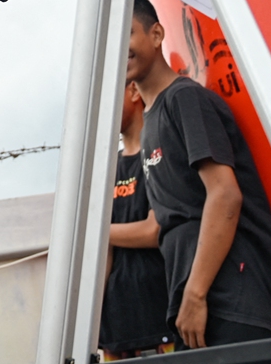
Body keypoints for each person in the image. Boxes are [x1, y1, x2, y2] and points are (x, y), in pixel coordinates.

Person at [127, 0, 271, 356]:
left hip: (235, 301)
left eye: (128, 33)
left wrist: (196, 292)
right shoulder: (151, 121)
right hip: (196, 311)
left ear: (156, 35)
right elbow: (162, 226)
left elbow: (225, 195)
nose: (118, 49)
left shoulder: (185, 99)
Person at [98, 81, 173, 360]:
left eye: (109, 97)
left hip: (160, 322)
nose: (103, 108)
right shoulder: (107, 170)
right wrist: (92, 317)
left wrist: (96, 232)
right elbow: (102, 253)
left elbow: (155, 230)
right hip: (115, 332)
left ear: (134, 91)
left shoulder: (159, 153)